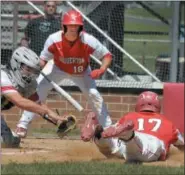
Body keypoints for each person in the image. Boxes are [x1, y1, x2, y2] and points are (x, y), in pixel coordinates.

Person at [15, 10, 117, 153]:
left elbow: (106, 55)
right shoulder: (53, 39)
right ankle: (23, 125)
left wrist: (101, 69)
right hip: (57, 68)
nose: (74, 28)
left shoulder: (88, 40)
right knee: (38, 89)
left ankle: (110, 130)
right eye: (70, 26)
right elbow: (43, 59)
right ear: (64, 27)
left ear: (81, 27)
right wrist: (39, 69)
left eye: (76, 26)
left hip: (82, 72)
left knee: (94, 95)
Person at [81, 91, 184, 162]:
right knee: (137, 145)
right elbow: (182, 145)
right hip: (148, 142)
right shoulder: (168, 123)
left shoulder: (129, 116)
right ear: (157, 106)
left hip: (123, 145)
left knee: (110, 144)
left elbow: (112, 131)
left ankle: (99, 135)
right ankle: (128, 133)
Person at [1, 46, 66, 148]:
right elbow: (20, 102)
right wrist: (48, 112)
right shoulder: (3, 77)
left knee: (8, 142)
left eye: (33, 70)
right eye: (28, 69)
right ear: (16, 64)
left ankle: (10, 136)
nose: (31, 74)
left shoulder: (29, 84)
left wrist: (58, 119)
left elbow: (38, 104)